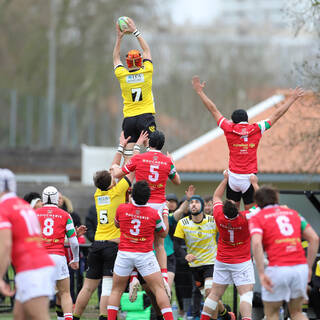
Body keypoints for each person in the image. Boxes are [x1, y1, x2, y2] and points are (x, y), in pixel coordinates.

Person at [192, 76, 304, 210]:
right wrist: (292, 99)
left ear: (233, 121)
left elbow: (213, 109)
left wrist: (200, 92)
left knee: (232, 216)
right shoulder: (256, 128)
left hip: (233, 177)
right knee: (249, 215)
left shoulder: (229, 127)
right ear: (247, 119)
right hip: (249, 178)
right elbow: (276, 115)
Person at [111, 130, 181, 299]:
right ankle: (164, 278)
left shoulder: (139, 158)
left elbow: (119, 174)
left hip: (139, 203)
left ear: (149, 143)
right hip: (157, 206)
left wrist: (119, 164)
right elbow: (177, 181)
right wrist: (172, 163)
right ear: (163, 145)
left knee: (136, 243)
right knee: (159, 244)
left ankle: (134, 278)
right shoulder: (166, 161)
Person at [73, 132, 134, 320]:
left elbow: (112, 169)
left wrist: (120, 146)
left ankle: (74, 317)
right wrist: (135, 146)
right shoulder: (117, 192)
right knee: (108, 286)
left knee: (88, 287)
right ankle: (103, 317)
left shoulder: (98, 195)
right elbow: (131, 169)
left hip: (96, 244)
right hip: (111, 245)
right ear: (111, 182)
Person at [250, 185, 319, 320]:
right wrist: (309, 267)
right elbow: (314, 239)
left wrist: (261, 273)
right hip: (299, 269)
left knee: (272, 313)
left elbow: (257, 243)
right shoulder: (293, 213)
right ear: (276, 198)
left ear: (257, 203)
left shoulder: (258, 217)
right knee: (297, 313)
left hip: (278, 269)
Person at [107, 180, 174, 320]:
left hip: (124, 254)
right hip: (145, 255)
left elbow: (117, 224)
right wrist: (166, 213)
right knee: (159, 289)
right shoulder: (154, 214)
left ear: (132, 194)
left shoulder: (121, 208)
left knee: (116, 290)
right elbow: (163, 233)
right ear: (148, 197)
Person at [0, 169, 55, 320]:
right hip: (36, 265)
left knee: (39, 316)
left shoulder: (3, 208)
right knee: (19, 316)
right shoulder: (23, 205)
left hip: (31, 269)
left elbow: (5, 244)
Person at [200, 172, 255, 320]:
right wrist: (254, 183)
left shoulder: (218, 215)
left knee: (214, 294)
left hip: (222, 260)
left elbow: (216, 197)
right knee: (245, 294)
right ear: (238, 209)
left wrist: (225, 179)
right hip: (241, 261)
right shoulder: (245, 218)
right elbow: (262, 205)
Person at [174, 195, 231, 320]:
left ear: (203, 206)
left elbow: (225, 235)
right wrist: (185, 255)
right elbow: (177, 245)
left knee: (210, 294)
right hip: (195, 266)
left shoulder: (212, 221)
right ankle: (225, 314)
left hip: (211, 263)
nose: (193, 205)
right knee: (209, 297)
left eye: (197, 203)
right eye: (191, 203)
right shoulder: (183, 223)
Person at [113, 17, 156, 159]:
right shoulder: (147, 71)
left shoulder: (122, 75)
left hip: (129, 119)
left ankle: (128, 181)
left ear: (127, 63)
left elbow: (115, 59)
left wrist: (119, 38)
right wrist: (135, 31)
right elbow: (147, 51)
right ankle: (150, 180)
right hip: (145, 117)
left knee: (128, 157)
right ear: (140, 61)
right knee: (152, 149)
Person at [36, 185, 80, 320]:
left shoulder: (34, 214)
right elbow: (74, 242)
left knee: (38, 295)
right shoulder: (65, 215)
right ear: (56, 199)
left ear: (43, 198)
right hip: (58, 257)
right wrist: (75, 259)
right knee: (65, 293)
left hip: (39, 258)